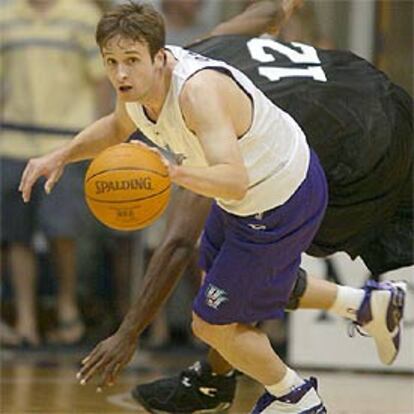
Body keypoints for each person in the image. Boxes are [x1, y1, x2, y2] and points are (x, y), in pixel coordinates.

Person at [18, 2, 410, 413]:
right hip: (246, 194)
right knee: (226, 282)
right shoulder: (134, 84)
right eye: (111, 62)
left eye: (131, 61)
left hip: (279, 196)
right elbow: (117, 127)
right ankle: (365, 305)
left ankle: (298, 401)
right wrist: (61, 155)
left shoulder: (197, 93)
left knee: (213, 323)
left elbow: (233, 178)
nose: (120, 73)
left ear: (160, 56)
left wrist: (173, 173)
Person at [0, 0, 110, 346]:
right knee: (16, 235)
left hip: (67, 142)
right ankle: (27, 319)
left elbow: (102, 82)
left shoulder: (83, 16)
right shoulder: (6, 16)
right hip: (13, 141)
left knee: (64, 233)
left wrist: (100, 137)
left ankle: (66, 310)